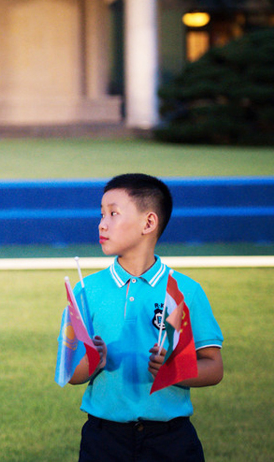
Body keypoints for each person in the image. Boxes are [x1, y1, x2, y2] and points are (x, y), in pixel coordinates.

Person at [69, 173, 223, 462]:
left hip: (171, 440)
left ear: (149, 223)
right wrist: (92, 362)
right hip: (103, 439)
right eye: (101, 213)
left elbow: (214, 368)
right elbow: (72, 374)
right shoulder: (86, 290)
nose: (101, 223)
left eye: (113, 213)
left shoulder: (186, 291)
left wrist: (174, 370)